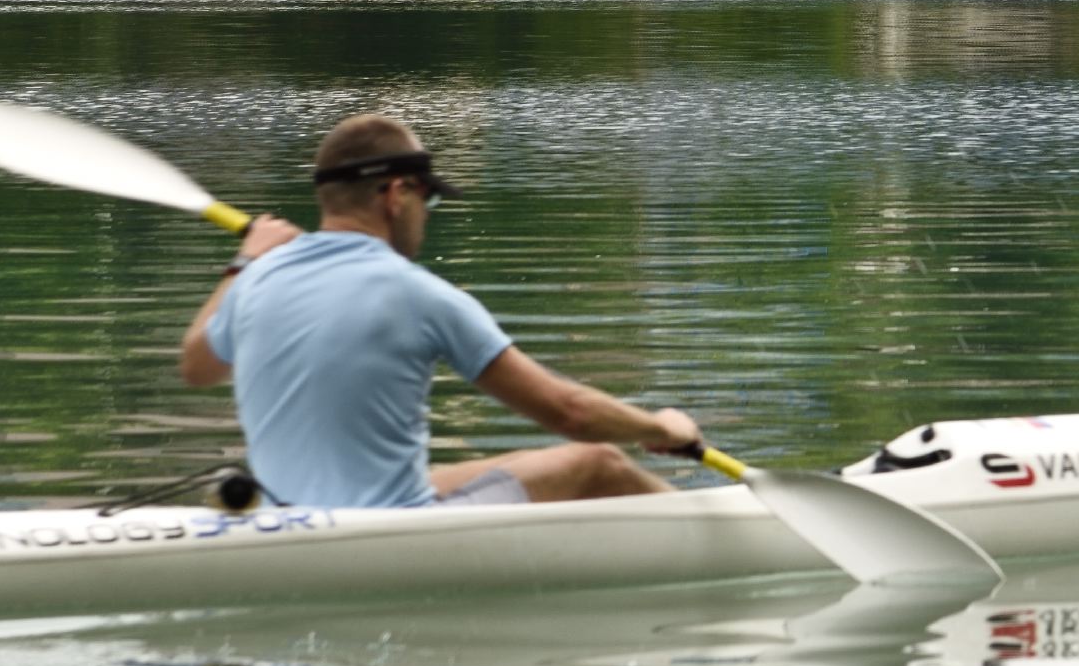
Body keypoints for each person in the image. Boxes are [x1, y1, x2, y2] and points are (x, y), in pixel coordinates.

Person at [177, 112, 699, 509]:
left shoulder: (256, 277)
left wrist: (244, 261)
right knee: (600, 462)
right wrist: (662, 429)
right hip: (384, 531)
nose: (425, 217)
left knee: (490, 465)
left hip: (284, 514)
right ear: (397, 193)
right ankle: (727, 547)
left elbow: (197, 367)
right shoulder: (420, 295)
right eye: (427, 201)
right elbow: (571, 413)